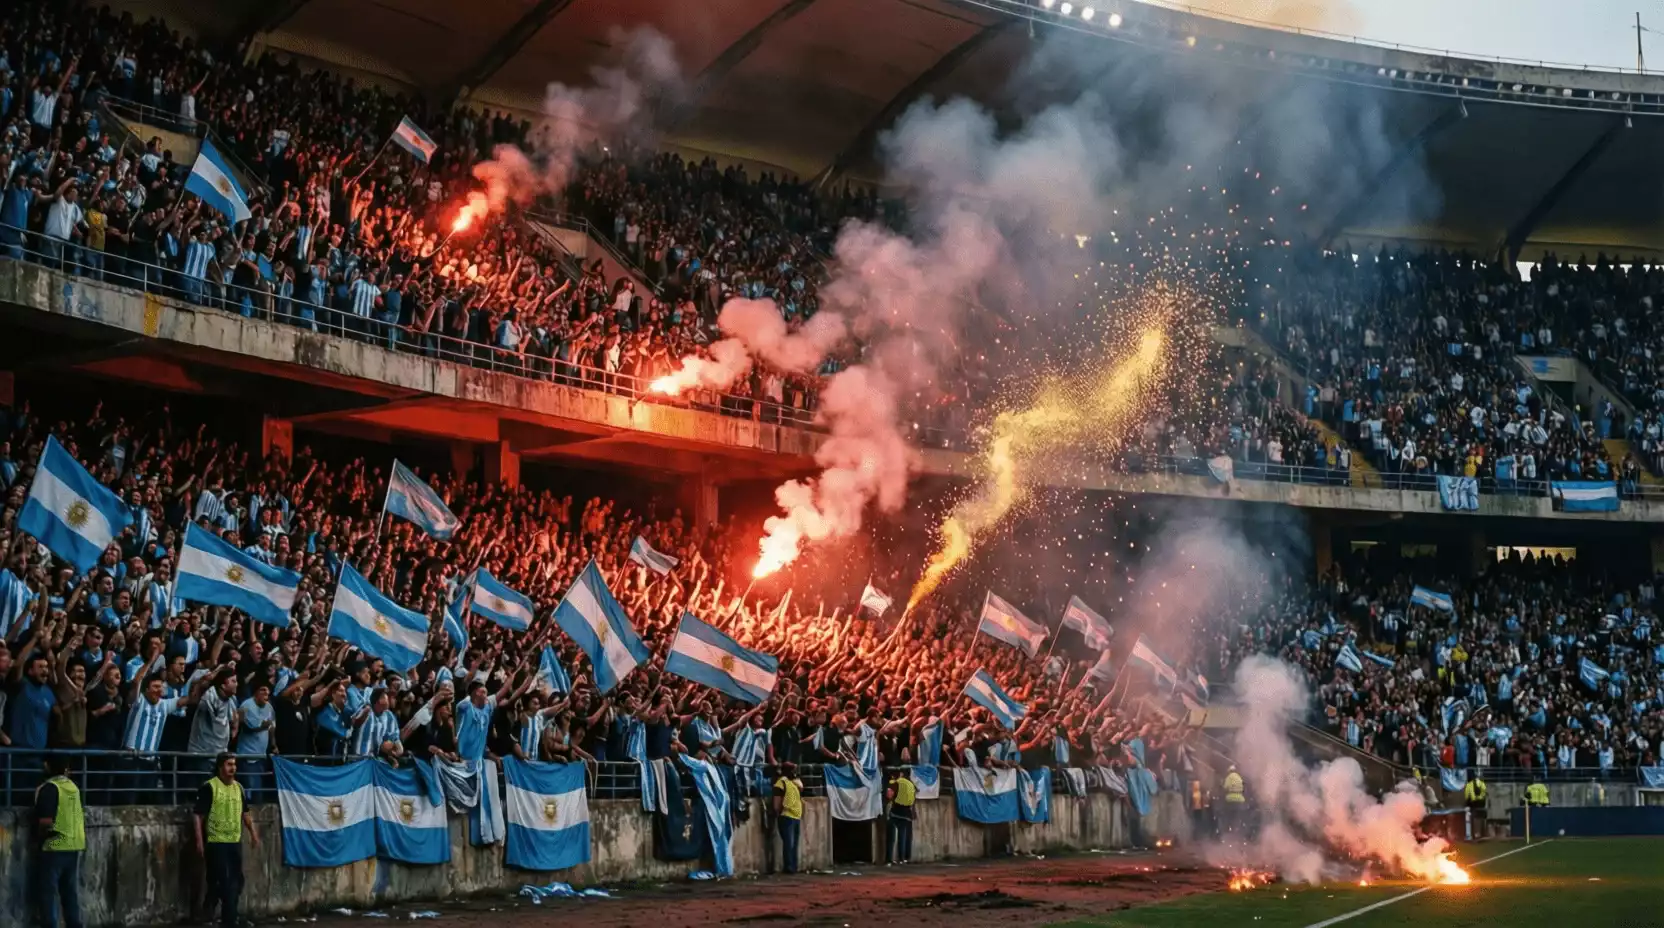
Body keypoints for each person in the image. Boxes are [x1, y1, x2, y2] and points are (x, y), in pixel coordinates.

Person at [194, 753, 259, 928]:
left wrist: (253, 833)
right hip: (216, 842)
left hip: (234, 841)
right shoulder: (210, 787)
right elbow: (198, 816)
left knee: (232, 881)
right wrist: (199, 841)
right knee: (227, 882)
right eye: (229, 765)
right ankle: (229, 920)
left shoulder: (239, 788)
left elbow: (245, 813)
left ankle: (208, 912)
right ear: (220, 767)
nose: (233, 769)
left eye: (234, 765)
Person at [35, 755, 85, 928]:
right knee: (69, 893)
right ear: (66, 770)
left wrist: (39, 839)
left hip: (54, 846)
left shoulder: (49, 788)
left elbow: (45, 822)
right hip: (74, 846)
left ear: (47, 766)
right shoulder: (74, 788)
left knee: (48, 894)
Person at [771, 761, 804, 875]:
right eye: (793, 770)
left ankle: (793, 867)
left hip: (795, 816)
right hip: (786, 816)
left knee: (793, 844)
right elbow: (777, 802)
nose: (795, 773)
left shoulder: (793, 783)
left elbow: (801, 787)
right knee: (789, 843)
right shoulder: (781, 783)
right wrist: (778, 812)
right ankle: (789, 867)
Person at [885, 767, 916, 865]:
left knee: (891, 837)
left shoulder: (896, 782)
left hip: (895, 811)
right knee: (902, 837)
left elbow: (889, 795)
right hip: (906, 813)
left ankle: (889, 860)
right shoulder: (912, 785)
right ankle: (902, 859)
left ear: (902, 773)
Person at [1220, 764, 1246, 840]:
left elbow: (1225, 787)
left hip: (1230, 800)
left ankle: (1228, 832)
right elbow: (1243, 789)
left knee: (1228, 816)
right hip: (1240, 800)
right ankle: (1237, 833)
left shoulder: (1229, 777)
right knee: (1238, 817)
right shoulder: (1239, 777)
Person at [1462, 769, 1488, 840]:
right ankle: (1482, 834)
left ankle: (1474, 834)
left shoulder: (1468, 784)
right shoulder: (1481, 783)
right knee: (1481, 818)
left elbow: (1467, 796)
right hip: (1481, 803)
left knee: (1473, 818)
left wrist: (1467, 805)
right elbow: (1484, 793)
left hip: (1474, 804)